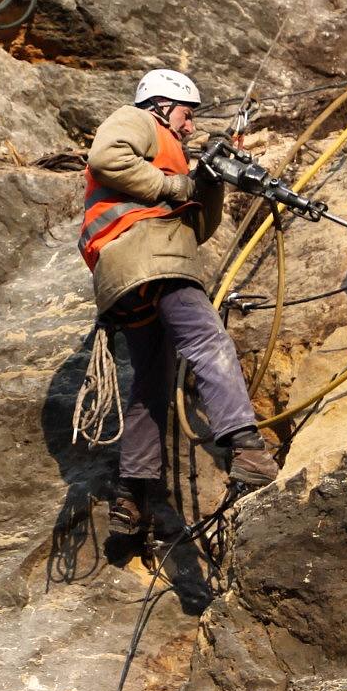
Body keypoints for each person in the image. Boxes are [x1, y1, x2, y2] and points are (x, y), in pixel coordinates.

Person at [80, 68, 280, 544]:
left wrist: (206, 180)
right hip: (151, 259)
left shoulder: (172, 155)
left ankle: (131, 497)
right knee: (207, 340)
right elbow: (106, 156)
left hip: (124, 274)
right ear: (162, 106)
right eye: (186, 115)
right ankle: (246, 448)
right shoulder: (137, 121)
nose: (190, 127)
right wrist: (173, 186)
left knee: (152, 379)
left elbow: (198, 228)